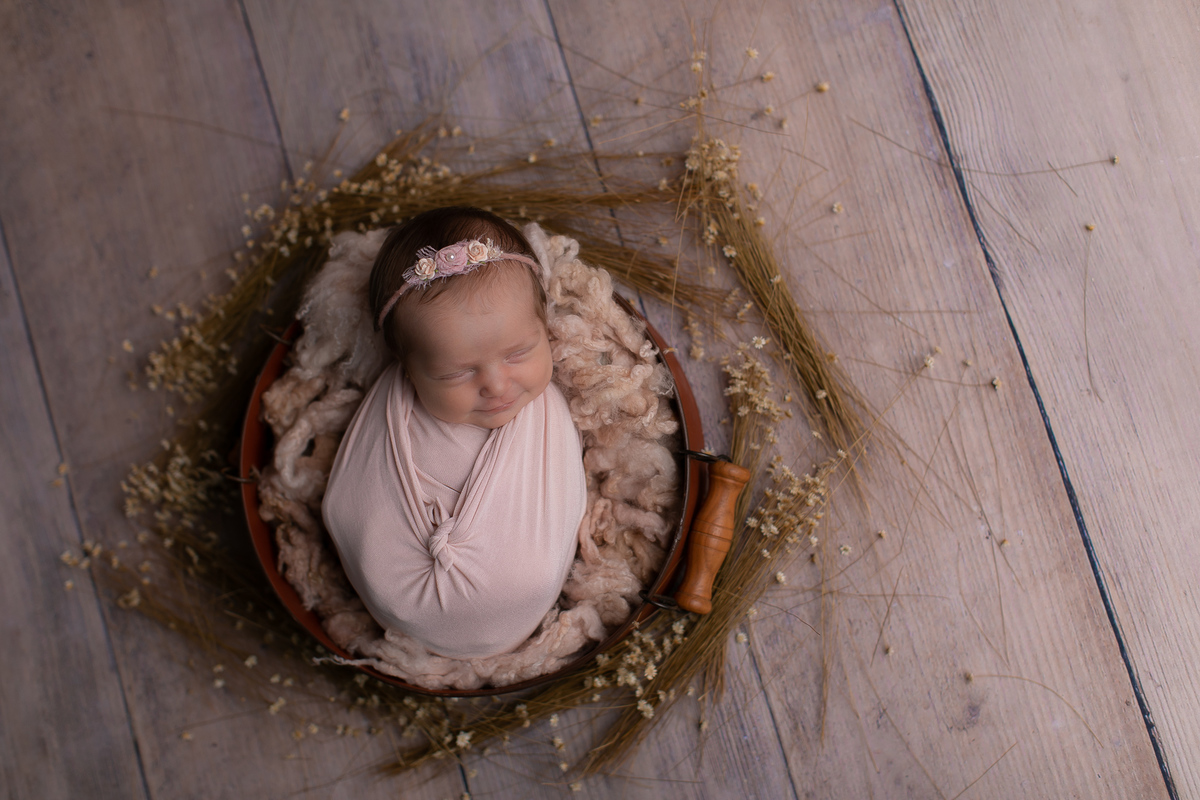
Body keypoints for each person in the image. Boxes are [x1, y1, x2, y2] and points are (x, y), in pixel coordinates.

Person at [321, 207, 587, 660]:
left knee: (530, 571)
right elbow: (352, 502)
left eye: (520, 351)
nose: (498, 386)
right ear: (406, 369)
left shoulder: (542, 416)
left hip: (522, 589)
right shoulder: (394, 409)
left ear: (546, 326)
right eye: (454, 373)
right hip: (395, 597)